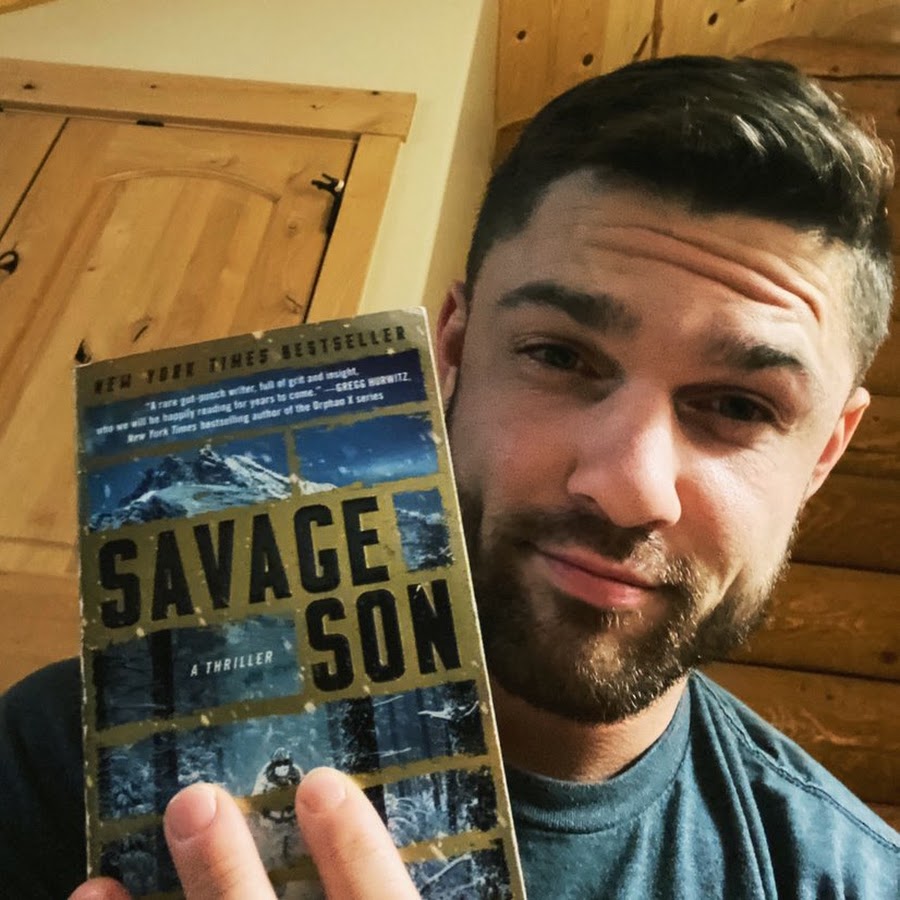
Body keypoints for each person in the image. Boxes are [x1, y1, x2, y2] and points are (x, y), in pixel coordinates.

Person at [3, 54, 899, 899]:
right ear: (453, 350)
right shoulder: (55, 758)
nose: (629, 486)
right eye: (559, 355)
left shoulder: (853, 880)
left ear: (824, 453)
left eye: (739, 406)